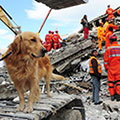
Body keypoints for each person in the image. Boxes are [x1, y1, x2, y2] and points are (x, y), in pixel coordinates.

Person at [104, 34, 120, 101]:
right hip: (119, 67)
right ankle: (118, 95)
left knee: (111, 82)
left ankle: (112, 95)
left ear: (110, 40)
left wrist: (106, 68)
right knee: (118, 82)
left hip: (111, 68)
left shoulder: (108, 48)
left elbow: (105, 61)